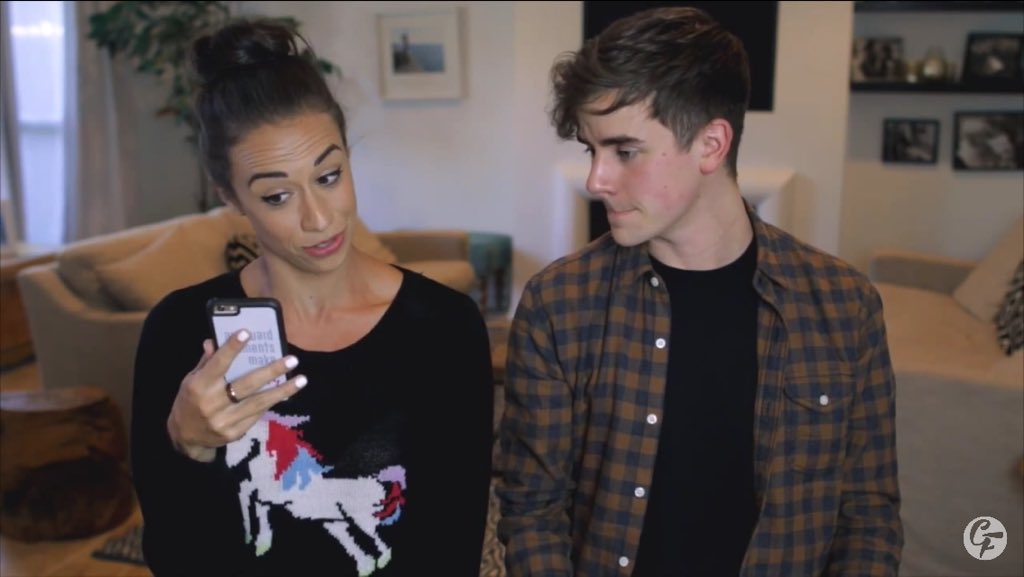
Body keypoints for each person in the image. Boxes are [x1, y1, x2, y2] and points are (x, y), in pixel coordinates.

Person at [496, 6, 903, 576]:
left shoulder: (844, 305)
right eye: (592, 151)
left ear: (712, 144)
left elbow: (867, 515)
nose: (596, 180)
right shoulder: (557, 305)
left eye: (625, 151)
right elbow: (531, 512)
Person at [130, 18, 494, 576]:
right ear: (231, 197)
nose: (319, 218)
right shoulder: (178, 331)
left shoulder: (444, 327)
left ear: (348, 157)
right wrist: (189, 446)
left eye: (328, 176)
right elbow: (172, 558)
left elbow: (453, 544)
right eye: (278, 196)